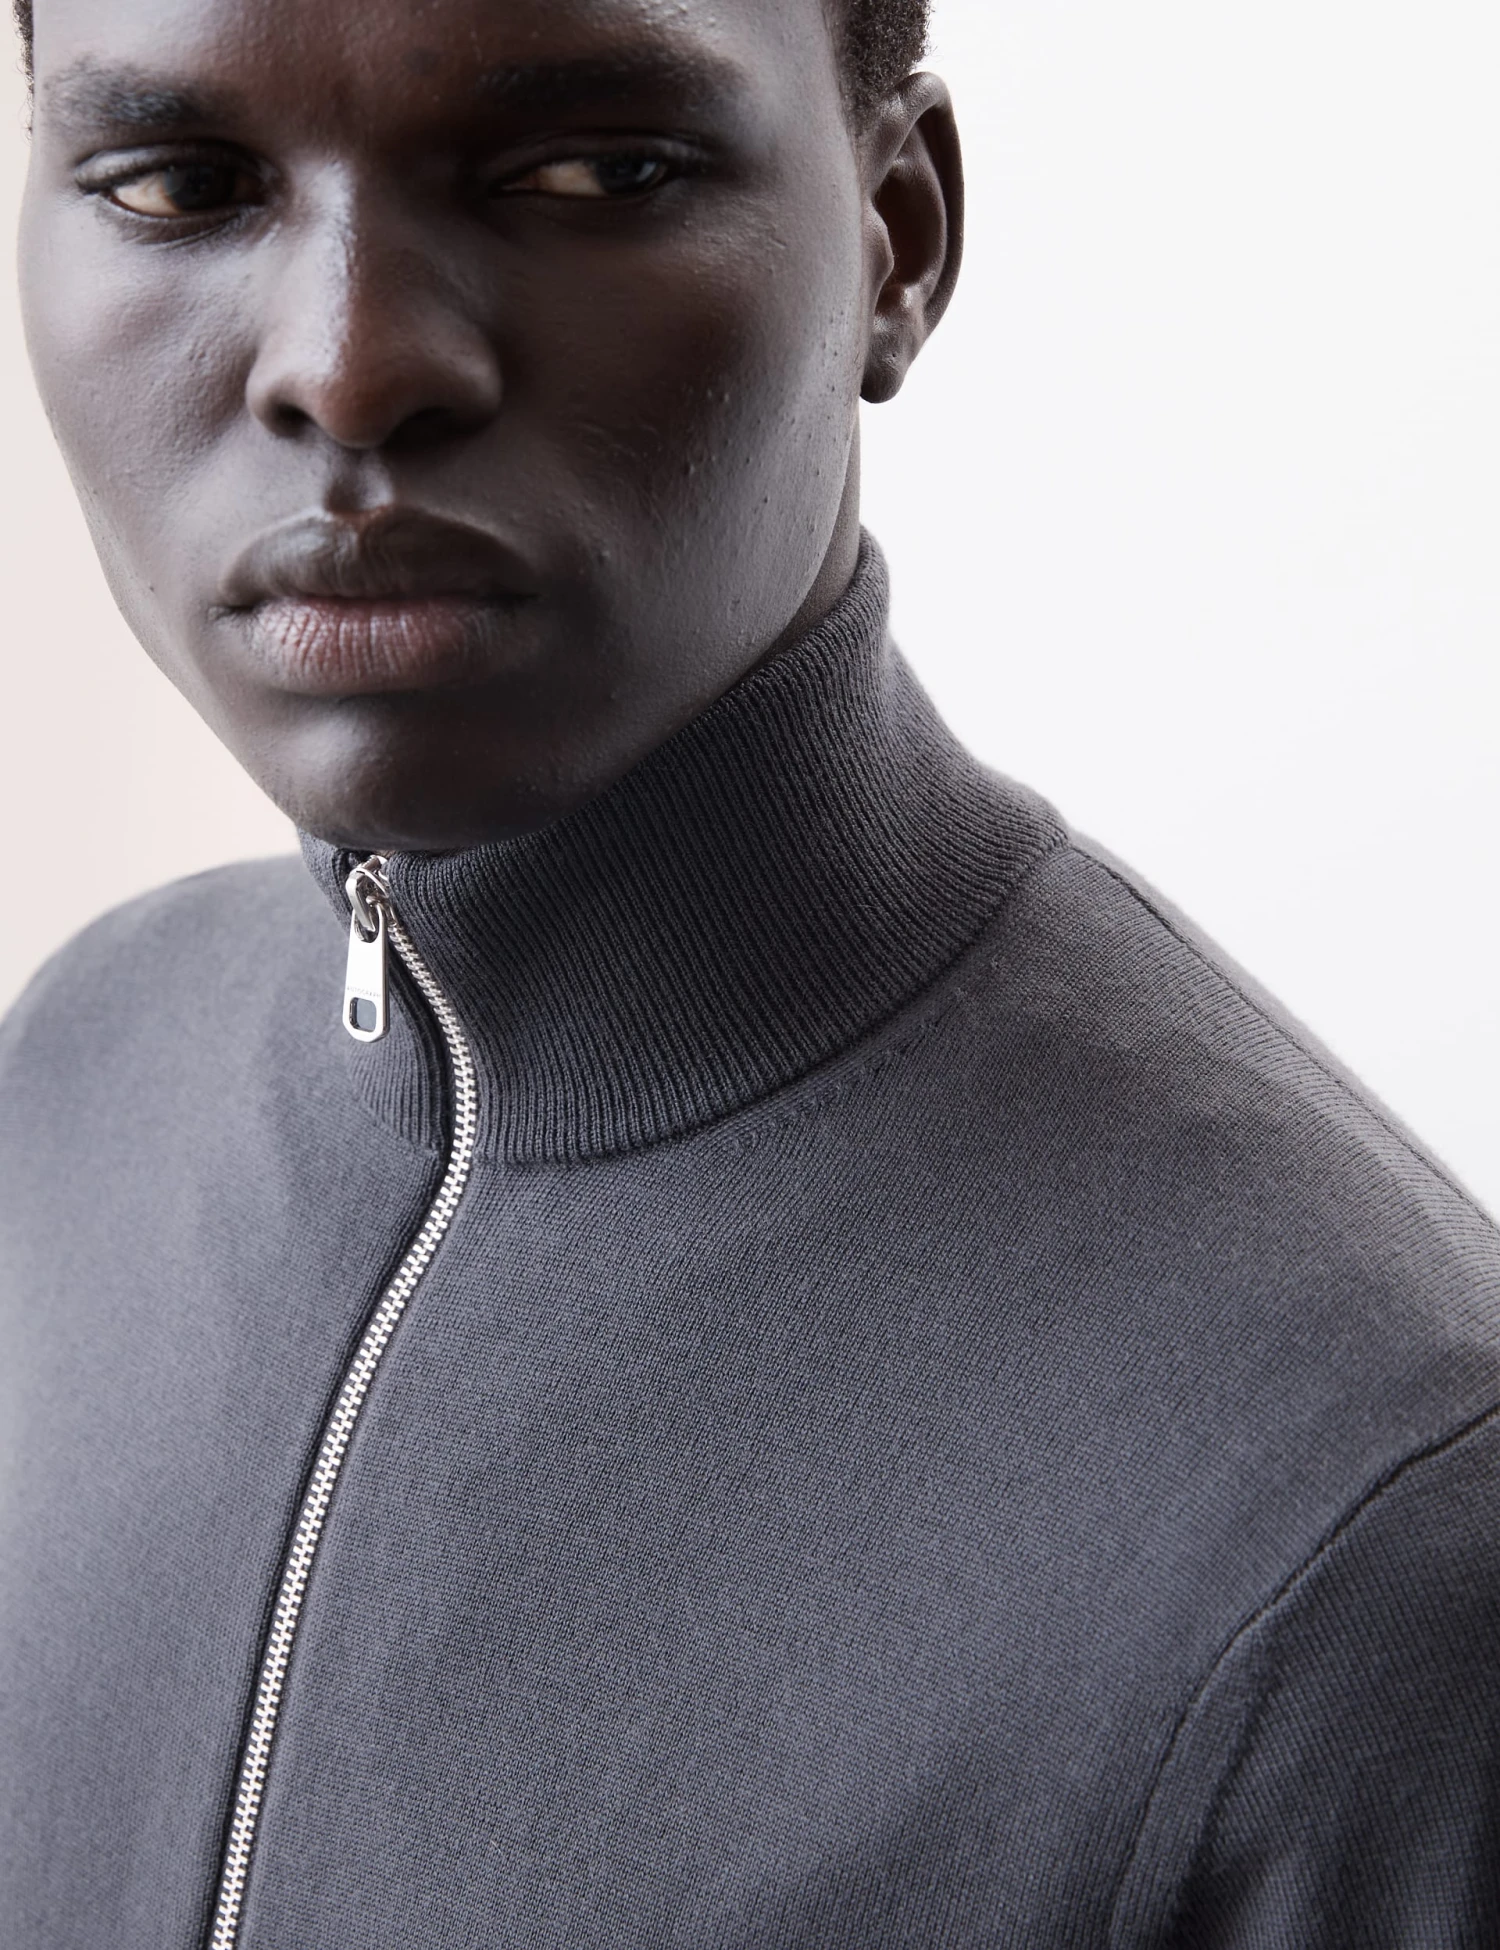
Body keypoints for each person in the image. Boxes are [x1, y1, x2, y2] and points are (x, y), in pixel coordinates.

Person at [2, 0, 1498, 1943]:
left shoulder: (1375, 1530)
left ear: (898, 237)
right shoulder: (70, 1085)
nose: (350, 366)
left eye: (592, 173)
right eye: (178, 185)